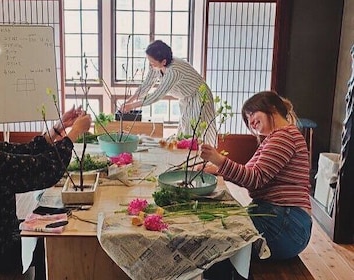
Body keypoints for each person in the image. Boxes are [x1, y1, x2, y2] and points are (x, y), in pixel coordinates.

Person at [0, 90, 91, 279]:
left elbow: (25, 151)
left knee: (40, 242)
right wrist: (75, 132)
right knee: (45, 241)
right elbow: (42, 169)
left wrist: (59, 127)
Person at [200, 90, 312, 263]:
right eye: (247, 118)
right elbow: (249, 175)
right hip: (283, 221)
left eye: (252, 113)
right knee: (216, 229)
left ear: (272, 107)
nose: (251, 122)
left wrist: (219, 160)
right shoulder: (277, 137)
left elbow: (254, 178)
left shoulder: (284, 136)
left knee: (215, 240)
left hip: (286, 225)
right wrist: (215, 169)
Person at [120, 40, 217, 144]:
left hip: (199, 96)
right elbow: (147, 85)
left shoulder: (174, 71)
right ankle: (186, 157)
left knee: (193, 132)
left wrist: (131, 106)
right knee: (184, 130)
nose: (150, 65)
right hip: (186, 97)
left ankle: (197, 158)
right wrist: (129, 102)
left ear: (164, 62)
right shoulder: (156, 65)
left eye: (152, 62)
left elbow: (157, 95)